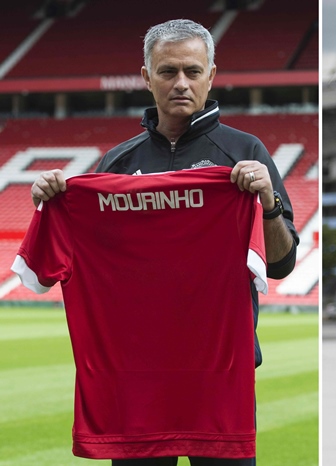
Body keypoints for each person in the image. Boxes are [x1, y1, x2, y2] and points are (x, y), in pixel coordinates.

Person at [28, 19, 299, 466]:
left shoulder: (246, 152)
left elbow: (282, 264)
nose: (181, 83)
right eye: (168, 71)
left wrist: (267, 202)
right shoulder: (116, 163)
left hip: (219, 373)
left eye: (193, 72)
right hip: (135, 376)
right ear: (145, 77)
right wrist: (54, 200)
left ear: (211, 76)